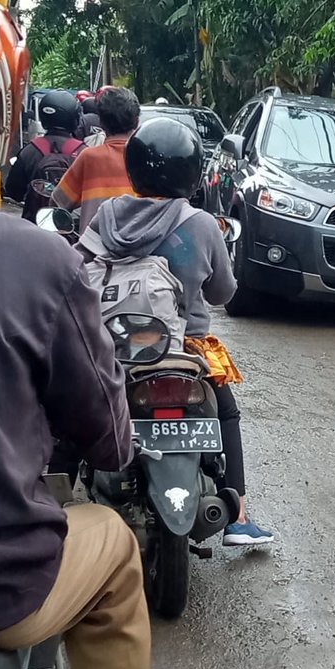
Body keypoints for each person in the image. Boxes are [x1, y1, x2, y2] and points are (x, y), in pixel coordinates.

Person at [0, 212, 167, 669]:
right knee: (115, 541)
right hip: (9, 585)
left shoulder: (88, 237)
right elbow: (104, 425)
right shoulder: (37, 257)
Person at [77, 116, 274, 546]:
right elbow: (223, 293)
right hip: (182, 353)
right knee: (226, 412)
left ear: (134, 169)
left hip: (112, 347)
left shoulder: (109, 216)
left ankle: (52, 503)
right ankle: (237, 516)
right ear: (192, 173)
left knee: (70, 410)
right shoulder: (202, 224)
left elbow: (76, 271)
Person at [52, 87, 139, 232]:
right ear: (136, 122)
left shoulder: (89, 157)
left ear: (102, 123)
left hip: (92, 249)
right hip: (140, 248)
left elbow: (57, 202)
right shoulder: (146, 159)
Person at [5, 90, 82, 221]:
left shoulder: (29, 151)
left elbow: (14, 192)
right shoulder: (83, 152)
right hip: (72, 228)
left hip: (34, 225)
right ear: (74, 117)